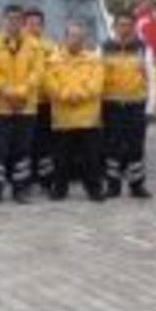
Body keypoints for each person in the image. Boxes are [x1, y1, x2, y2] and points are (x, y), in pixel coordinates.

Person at [0, 5, 45, 205]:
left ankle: (21, 189)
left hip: (26, 107)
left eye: (18, 19)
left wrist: (22, 92)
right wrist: (7, 92)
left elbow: (37, 72)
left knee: (22, 151)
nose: (14, 23)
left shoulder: (35, 46)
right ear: (3, 20)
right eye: (10, 19)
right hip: (0, 108)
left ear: (22, 22)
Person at [45, 21, 105, 203]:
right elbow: (49, 83)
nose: (76, 39)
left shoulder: (94, 60)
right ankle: (60, 189)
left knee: (91, 158)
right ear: (65, 38)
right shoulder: (53, 60)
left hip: (88, 118)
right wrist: (65, 95)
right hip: (63, 118)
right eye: (72, 35)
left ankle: (94, 190)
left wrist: (78, 95)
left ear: (84, 39)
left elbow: (97, 83)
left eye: (79, 36)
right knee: (61, 158)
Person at [101, 12, 156, 199]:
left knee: (136, 146)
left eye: (128, 25)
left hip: (136, 105)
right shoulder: (104, 48)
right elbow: (97, 77)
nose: (124, 28)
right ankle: (113, 185)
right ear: (114, 27)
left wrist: (150, 108)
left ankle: (137, 185)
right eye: (121, 25)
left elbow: (152, 79)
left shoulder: (143, 48)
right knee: (112, 146)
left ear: (133, 28)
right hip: (111, 105)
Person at [24, 7, 58, 196]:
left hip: (46, 102)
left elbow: (56, 71)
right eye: (30, 24)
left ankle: (46, 180)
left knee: (45, 143)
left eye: (37, 24)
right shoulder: (20, 46)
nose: (33, 27)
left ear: (43, 26)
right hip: (26, 102)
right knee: (26, 143)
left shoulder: (50, 47)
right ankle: (27, 180)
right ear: (24, 25)